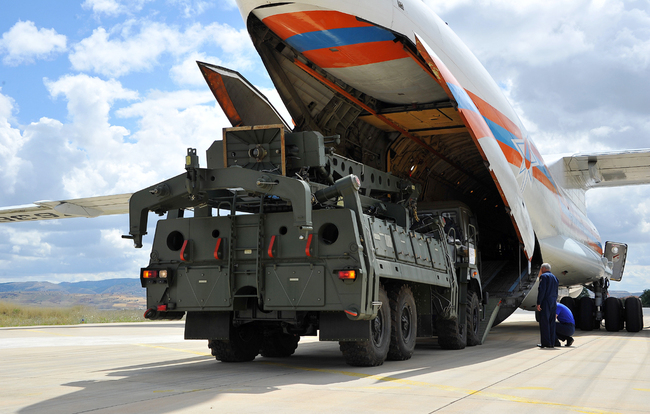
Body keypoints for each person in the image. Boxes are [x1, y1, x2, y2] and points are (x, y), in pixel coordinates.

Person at [536, 263, 559, 348]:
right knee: (552, 323)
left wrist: (539, 303)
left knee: (544, 322)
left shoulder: (544, 277)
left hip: (546, 302)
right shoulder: (555, 278)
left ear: (544, 268)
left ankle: (545, 343)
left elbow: (542, 290)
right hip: (553, 302)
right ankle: (552, 342)